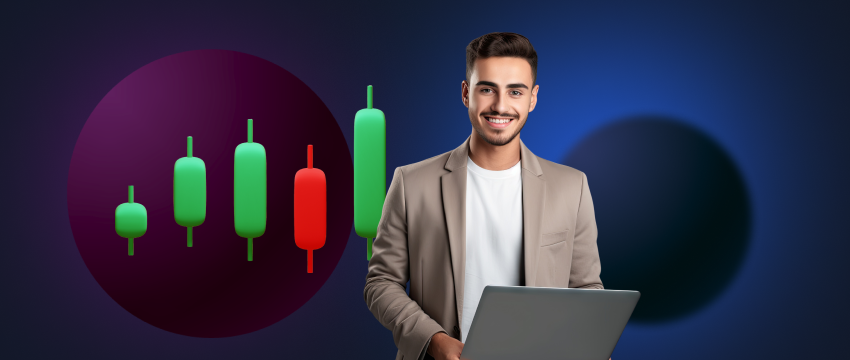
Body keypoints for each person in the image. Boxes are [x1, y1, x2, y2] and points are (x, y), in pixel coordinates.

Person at [364, 32, 603, 360]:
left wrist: (592, 344)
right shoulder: (411, 183)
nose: (500, 106)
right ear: (466, 93)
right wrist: (431, 338)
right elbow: (380, 282)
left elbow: (586, 291)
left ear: (532, 99)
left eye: (515, 91)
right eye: (487, 89)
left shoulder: (571, 187)